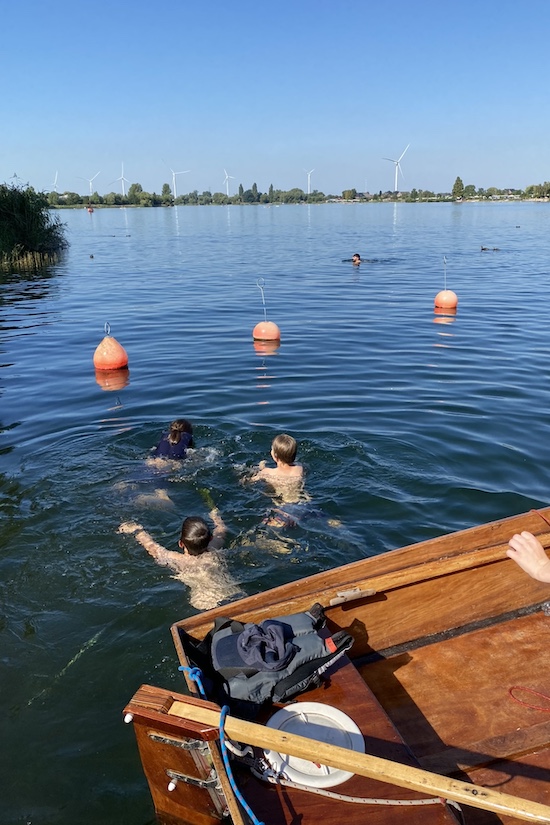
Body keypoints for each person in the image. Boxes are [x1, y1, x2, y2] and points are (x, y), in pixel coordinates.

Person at [118, 508, 242, 609]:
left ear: (181, 544)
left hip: (206, 603)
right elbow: (221, 530)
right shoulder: (214, 548)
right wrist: (216, 516)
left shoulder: (178, 560)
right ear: (210, 539)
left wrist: (137, 530)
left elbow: (153, 548)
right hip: (235, 595)